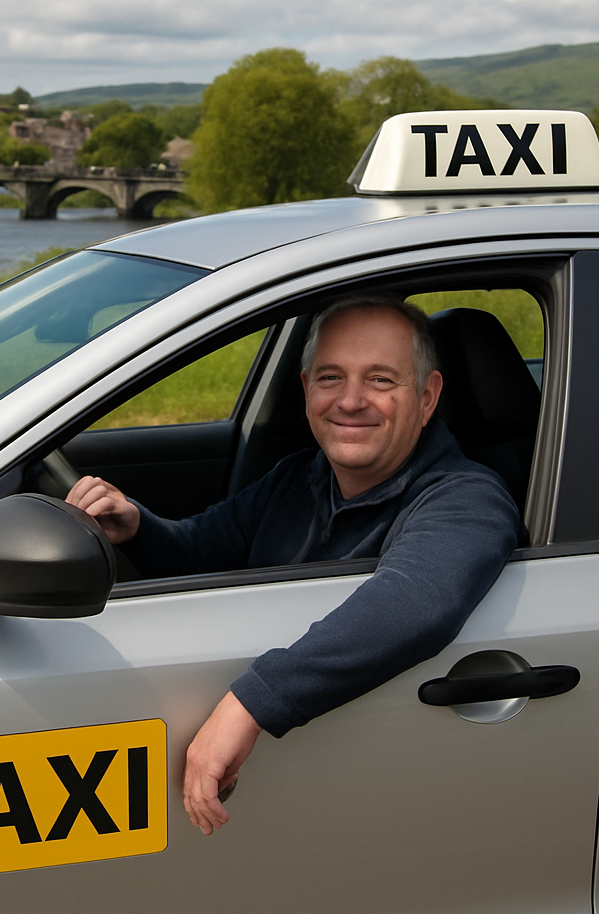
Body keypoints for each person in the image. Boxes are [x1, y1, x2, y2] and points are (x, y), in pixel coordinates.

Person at [66, 296, 521, 836]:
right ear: (306, 390)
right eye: (331, 377)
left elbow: (417, 600)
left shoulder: (467, 498)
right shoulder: (297, 478)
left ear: (426, 398)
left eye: (380, 380)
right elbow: (205, 548)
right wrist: (136, 525)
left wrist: (248, 704)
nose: (350, 401)